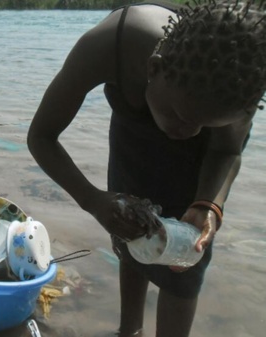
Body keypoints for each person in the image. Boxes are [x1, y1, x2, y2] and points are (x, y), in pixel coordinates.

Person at [27, 1, 266, 336]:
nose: (189, 134)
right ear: (154, 68)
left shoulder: (241, 82)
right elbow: (41, 136)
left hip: (203, 158)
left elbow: (227, 150)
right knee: (129, 226)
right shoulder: (113, 43)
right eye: (183, 119)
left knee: (185, 265)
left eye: (205, 126)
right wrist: (93, 200)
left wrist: (209, 205)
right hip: (133, 128)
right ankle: (129, 330)